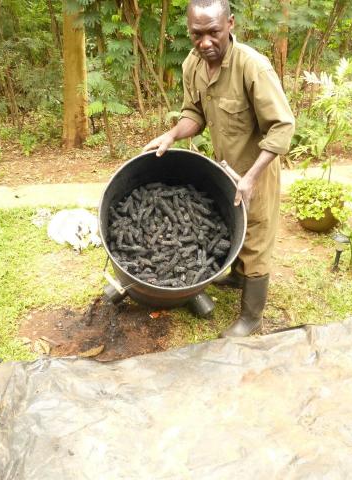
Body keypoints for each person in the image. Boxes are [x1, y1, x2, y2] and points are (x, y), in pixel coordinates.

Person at [143, 0, 295, 337]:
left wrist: (252, 177)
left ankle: (251, 318)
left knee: (255, 235)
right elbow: (193, 115)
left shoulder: (252, 67)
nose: (205, 42)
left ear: (230, 25)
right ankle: (238, 276)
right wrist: (170, 135)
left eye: (213, 32)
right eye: (197, 34)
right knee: (232, 225)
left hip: (258, 169)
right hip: (225, 167)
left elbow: (283, 126)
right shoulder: (192, 65)